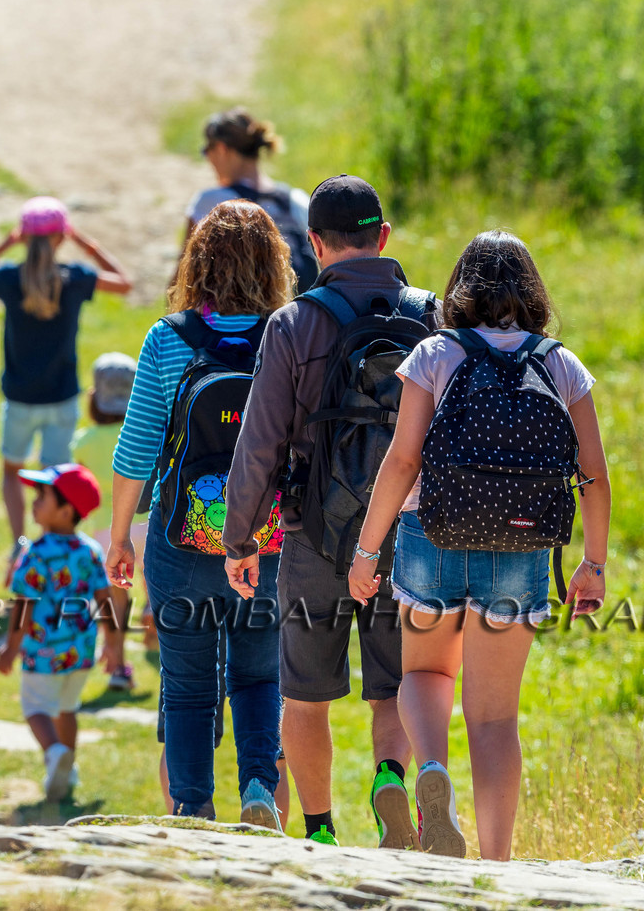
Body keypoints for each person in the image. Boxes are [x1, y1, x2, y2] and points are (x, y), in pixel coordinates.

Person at [348, 230, 612, 860]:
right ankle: (498, 861)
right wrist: (593, 565)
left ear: (458, 289)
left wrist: (365, 551)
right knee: (495, 718)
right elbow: (595, 474)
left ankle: (433, 771)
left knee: (425, 671)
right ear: (533, 293)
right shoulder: (560, 362)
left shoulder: (436, 353)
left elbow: (403, 459)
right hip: (522, 548)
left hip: (431, 534)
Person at [223, 174, 436, 848]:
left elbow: (260, 444)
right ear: (384, 237)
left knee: (305, 697)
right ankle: (390, 782)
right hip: (407, 534)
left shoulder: (293, 323)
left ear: (313, 243)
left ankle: (317, 831)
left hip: (313, 532)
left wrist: (240, 538)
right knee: (394, 687)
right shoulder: (429, 317)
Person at [105, 201, 295, 824]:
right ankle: (260, 791)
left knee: (186, 687)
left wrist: (120, 540)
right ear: (274, 262)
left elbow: (136, 451)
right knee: (259, 677)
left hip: (181, 538)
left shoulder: (169, 339)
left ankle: (192, 809)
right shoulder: (291, 333)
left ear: (198, 261)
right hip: (268, 541)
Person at [0, 196, 134, 572]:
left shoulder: (8, 277)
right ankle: (53, 548)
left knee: (12, 470)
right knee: (54, 479)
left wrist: (0, 248)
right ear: (62, 237)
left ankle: (16, 544)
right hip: (61, 396)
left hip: (20, 397)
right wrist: (88, 245)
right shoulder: (74, 277)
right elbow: (125, 284)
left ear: (23, 238)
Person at [0, 464, 113, 802]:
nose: (34, 501)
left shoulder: (35, 553)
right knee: (68, 708)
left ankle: (54, 753)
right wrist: (113, 644)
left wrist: (9, 647)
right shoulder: (90, 550)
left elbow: (24, 606)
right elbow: (106, 600)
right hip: (80, 650)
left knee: (35, 708)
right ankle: (68, 770)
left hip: (42, 649)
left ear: (65, 510)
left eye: (42, 496)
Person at [185, 108, 317, 292]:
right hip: (300, 317)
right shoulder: (298, 200)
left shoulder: (210, 203)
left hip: (241, 318)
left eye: (207, 151)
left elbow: (183, 279)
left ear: (222, 149)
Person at [70, 352, 141, 691]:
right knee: (162, 590)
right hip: (149, 526)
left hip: (107, 535)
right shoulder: (146, 434)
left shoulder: (83, 442)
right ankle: (155, 614)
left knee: (116, 601)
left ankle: (118, 663)